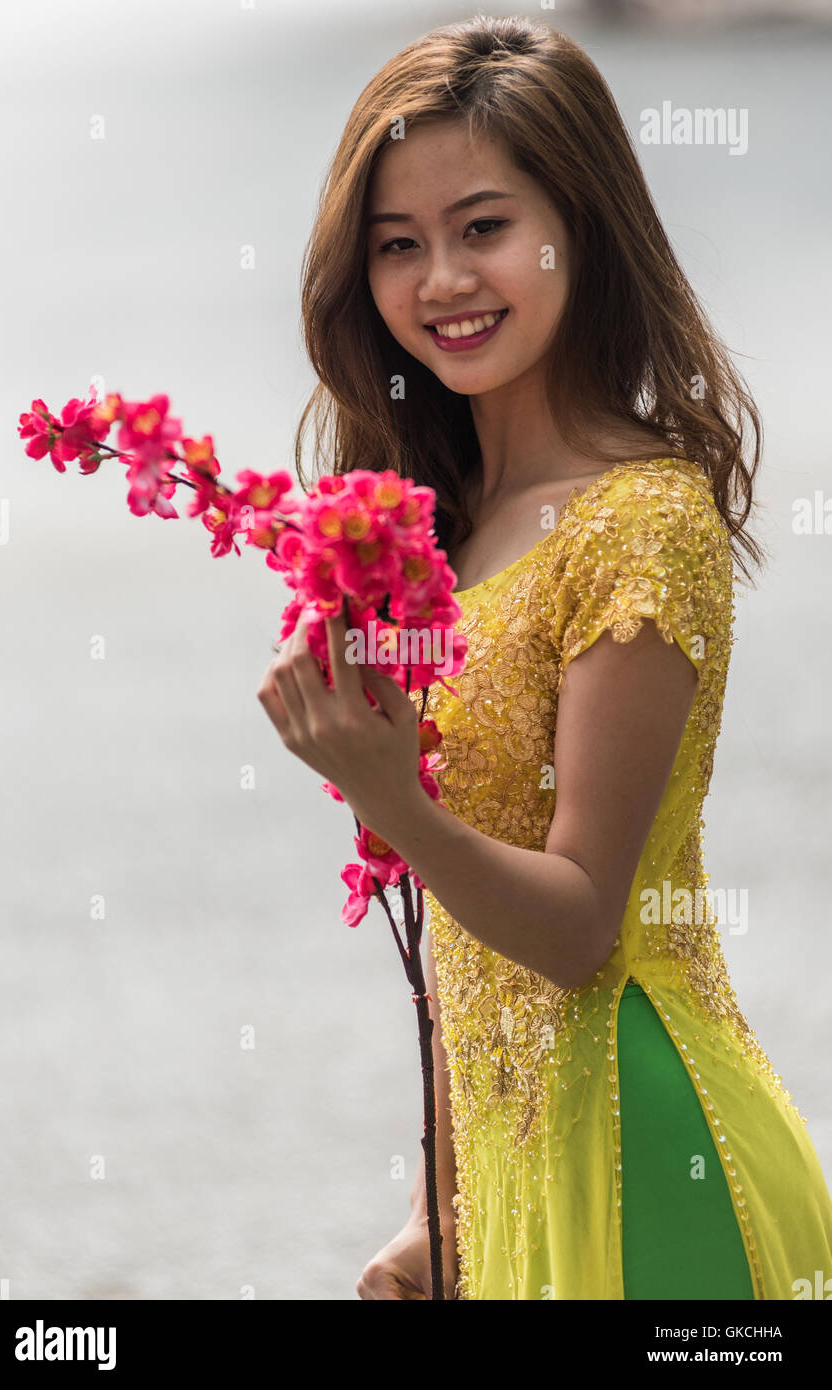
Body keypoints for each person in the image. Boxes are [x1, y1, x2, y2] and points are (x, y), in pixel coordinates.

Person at [256, 16, 832, 1299]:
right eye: (398, 245)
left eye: (484, 227)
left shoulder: (644, 521)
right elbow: (464, 954)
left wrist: (389, 798)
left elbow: (577, 928)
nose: (443, 279)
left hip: (651, 1162)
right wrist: (434, 1209)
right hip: (513, 1176)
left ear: (583, 225)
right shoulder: (436, 535)